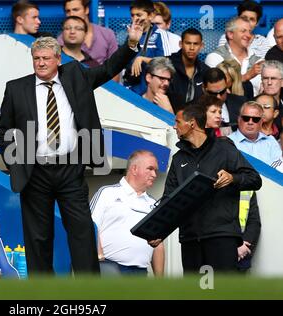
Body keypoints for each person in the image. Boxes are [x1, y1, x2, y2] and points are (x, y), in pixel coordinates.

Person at [0, 27, 143, 275]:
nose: (40, 63)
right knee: (38, 237)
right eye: (36, 59)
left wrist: (130, 44)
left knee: (82, 231)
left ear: (58, 59)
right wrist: (16, 164)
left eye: (45, 58)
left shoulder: (76, 75)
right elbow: (4, 131)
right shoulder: (16, 88)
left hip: (70, 170)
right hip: (35, 172)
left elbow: (108, 69)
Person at [158, 104, 262, 273]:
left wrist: (232, 178)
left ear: (192, 123)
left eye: (177, 121)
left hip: (222, 237)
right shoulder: (178, 159)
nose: (174, 126)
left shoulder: (225, 149)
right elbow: (168, 199)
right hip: (190, 239)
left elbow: (254, 179)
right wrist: (158, 232)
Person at [90, 150, 164, 276]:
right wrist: (100, 260)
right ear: (134, 169)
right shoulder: (106, 193)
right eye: (150, 169)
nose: (154, 174)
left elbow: (158, 245)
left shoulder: (153, 204)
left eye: (155, 170)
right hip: (109, 269)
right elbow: (90, 226)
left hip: (140, 274)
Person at [123, 0, 172, 94]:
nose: (135, 19)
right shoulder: (131, 34)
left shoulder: (160, 34)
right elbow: (123, 62)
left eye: (139, 15)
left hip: (151, 92)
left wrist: (142, 59)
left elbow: (166, 62)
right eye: (132, 15)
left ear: (150, 16)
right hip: (131, 88)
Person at [205, 16, 262, 96]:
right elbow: (216, 88)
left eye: (250, 32)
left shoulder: (258, 61)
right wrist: (246, 76)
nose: (248, 35)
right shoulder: (215, 57)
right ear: (230, 34)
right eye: (243, 31)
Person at [57, 0, 118, 65]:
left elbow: (115, 66)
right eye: (68, 11)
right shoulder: (62, 39)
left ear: (86, 10)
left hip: (103, 73)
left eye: (76, 10)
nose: (71, 14)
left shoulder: (107, 34)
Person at [228, 101, 281, 166]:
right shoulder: (228, 142)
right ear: (239, 119)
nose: (250, 122)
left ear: (261, 122)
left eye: (255, 119)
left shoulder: (270, 141)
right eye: (246, 118)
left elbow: (279, 168)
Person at [168, 28, 208, 108]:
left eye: (196, 44)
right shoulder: (167, 64)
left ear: (201, 46)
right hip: (167, 115)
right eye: (188, 43)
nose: (192, 48)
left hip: (195, 117)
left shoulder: (205, 70)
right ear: (181, 44)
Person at [202, 67, 247, 133]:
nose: (218, 97)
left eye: (222, 92)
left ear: (226, 85)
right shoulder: (196, 108)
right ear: (204, 88)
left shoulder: (241, 102)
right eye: (213, 93)